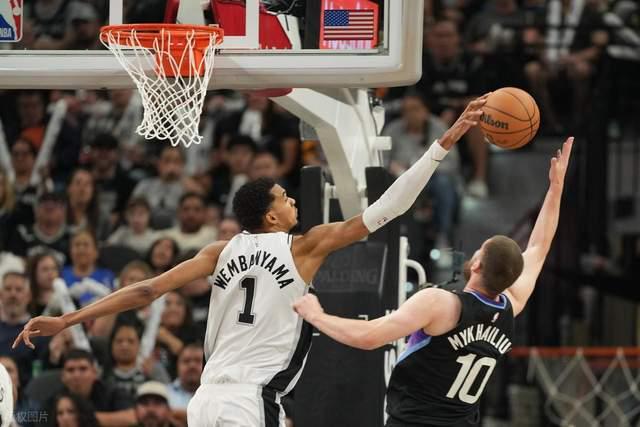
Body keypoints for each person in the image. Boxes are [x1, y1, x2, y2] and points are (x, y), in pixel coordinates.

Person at [12, 97, 487, 426]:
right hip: (250, 397)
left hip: (204, 401)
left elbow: (146, 290)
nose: (293, 200)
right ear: (270, 214)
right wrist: (443, 144)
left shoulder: (219, 251)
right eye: (284, 197)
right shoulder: (304, 246)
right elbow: (388, 209)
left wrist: (67, 319)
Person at [293, 137, 574, 426]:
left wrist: (317, 316)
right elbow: (539, 247)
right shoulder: (510, 307)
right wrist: (556, 188)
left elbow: (369, 336)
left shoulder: (441, 304)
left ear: (477, 264)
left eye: (479, 249)